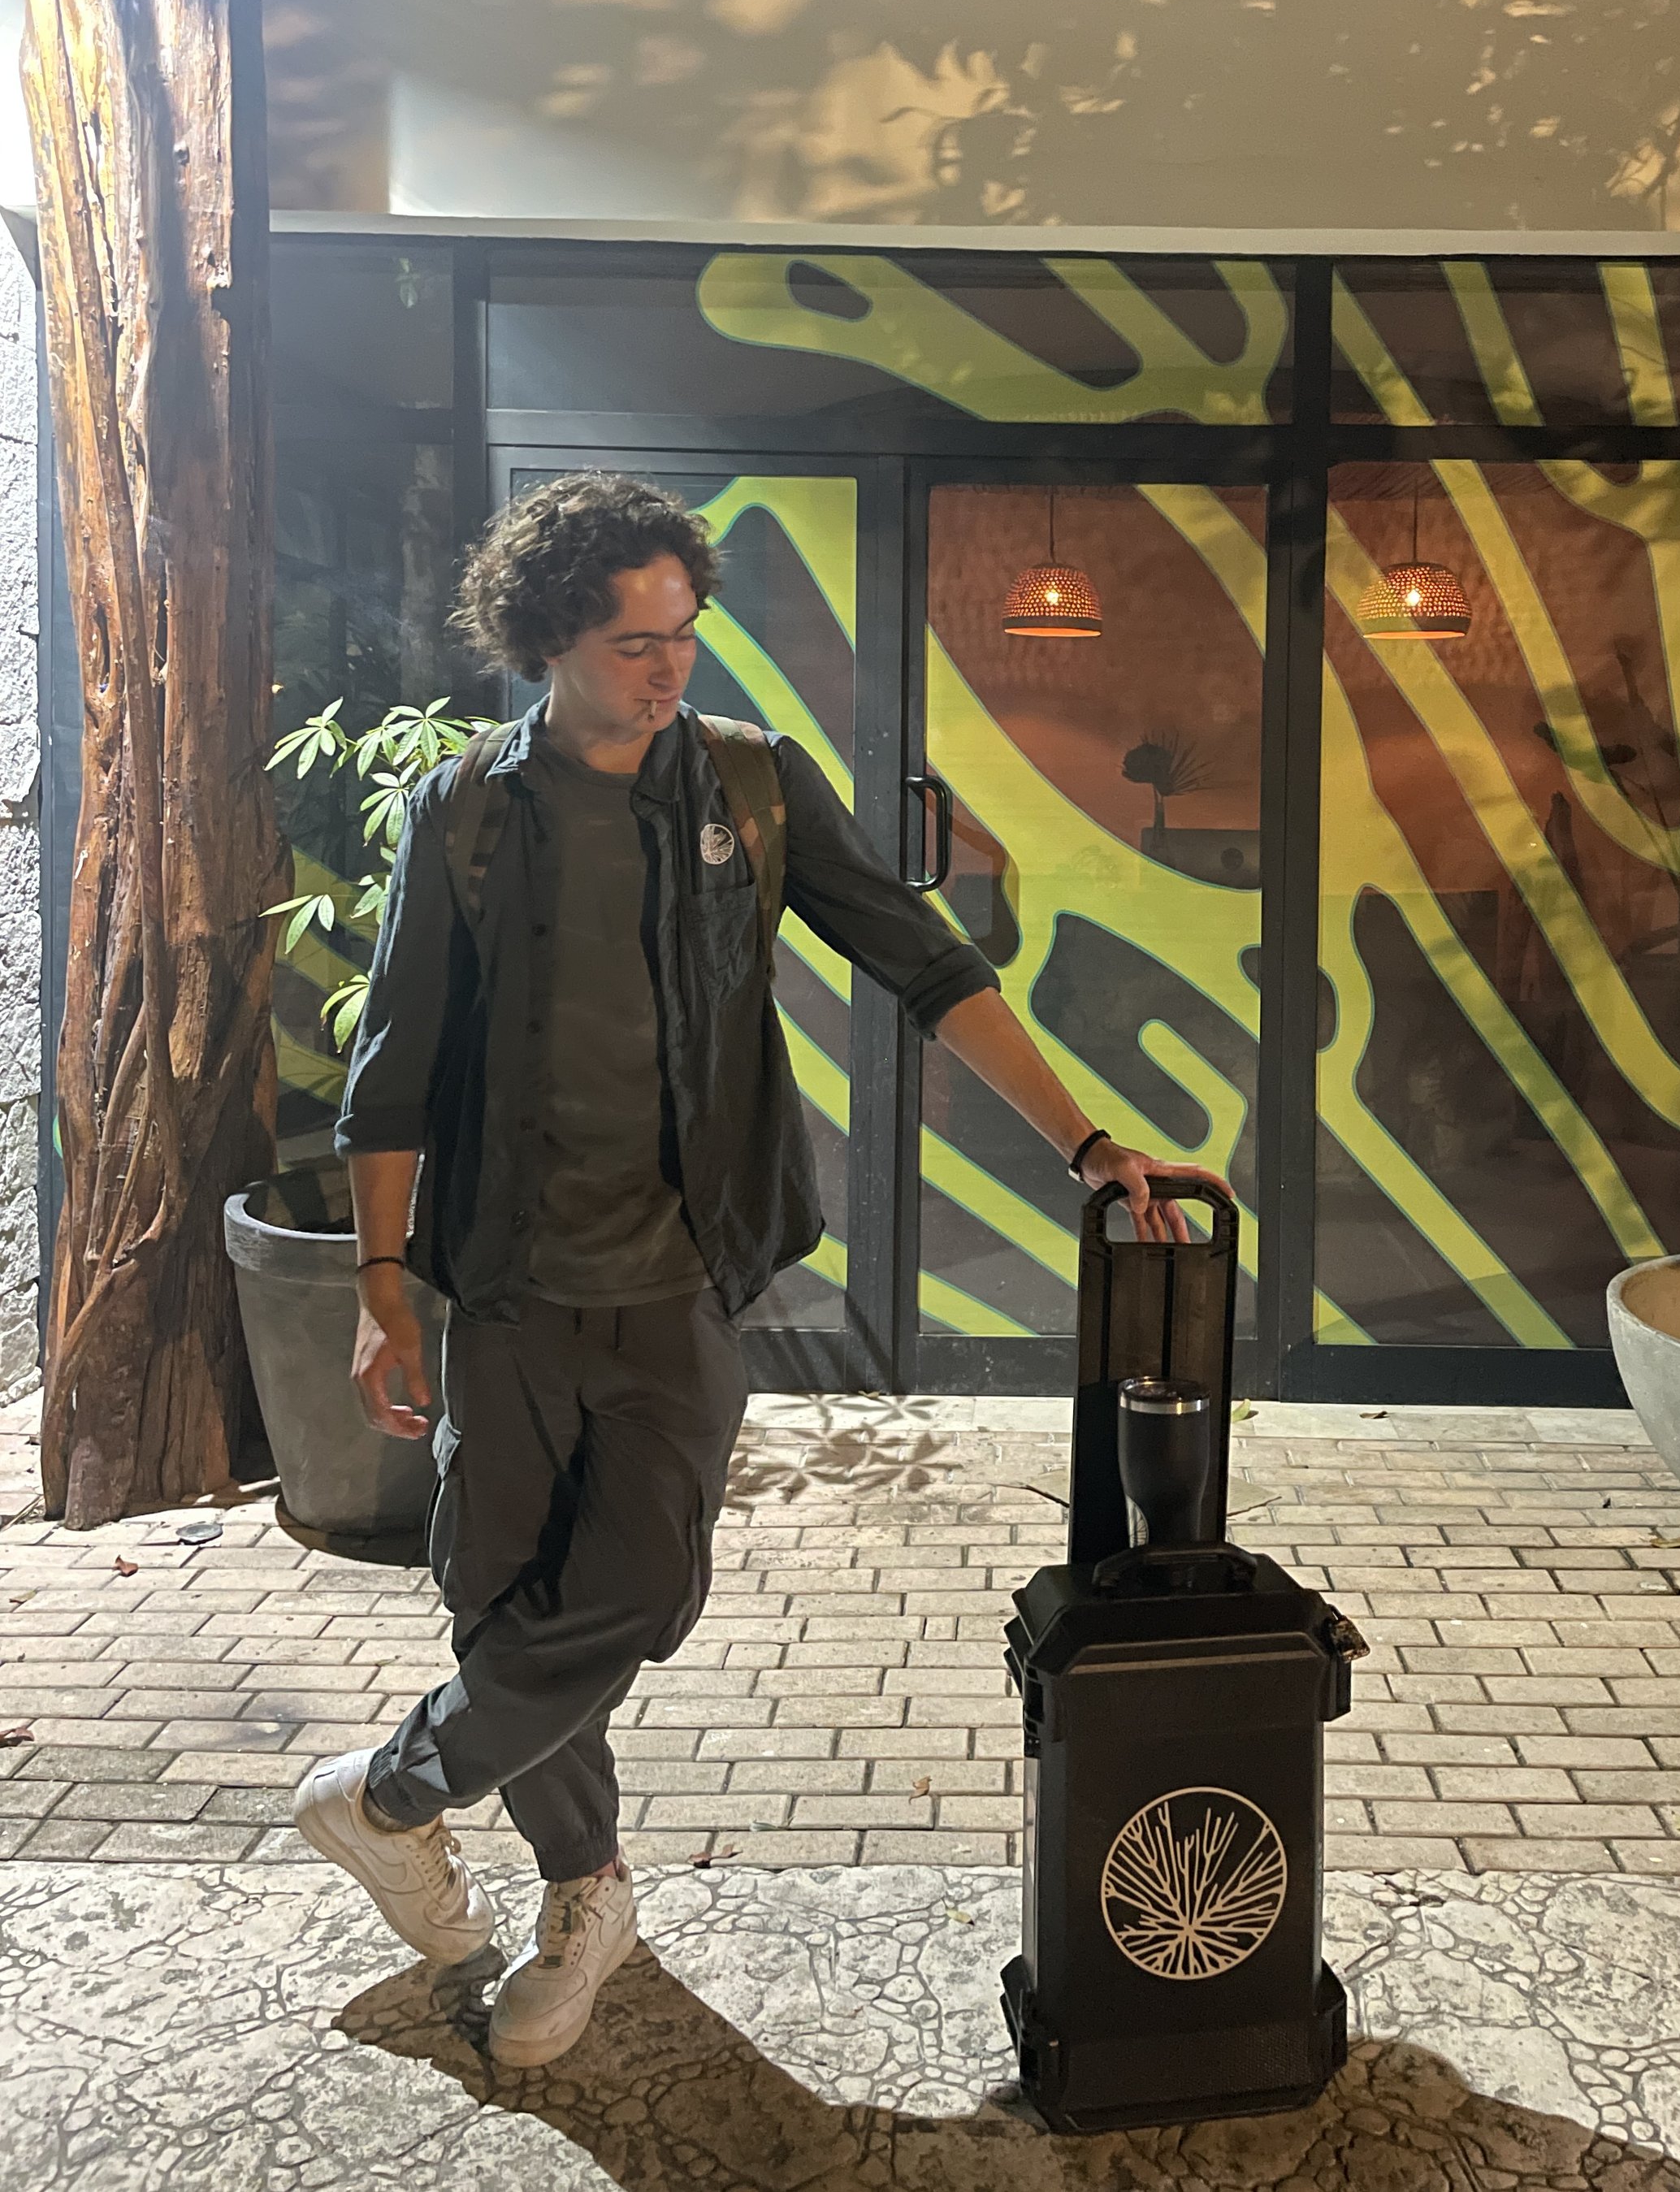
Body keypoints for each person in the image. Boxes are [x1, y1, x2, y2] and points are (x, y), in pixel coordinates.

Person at [293, 470, 1224, 2069]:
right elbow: (390, 1070)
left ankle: (387, 1796)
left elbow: (928, 966)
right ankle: (583, 1893)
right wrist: (384, 1284)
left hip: (671, 1281)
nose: (670, 665)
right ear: (547, 640)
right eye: (632, 640)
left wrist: (1087, 1142)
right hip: (504, 1285)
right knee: (495, 1597)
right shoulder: (464, 811)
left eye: (684, 630)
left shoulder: (753, 789)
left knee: (639, 1586)